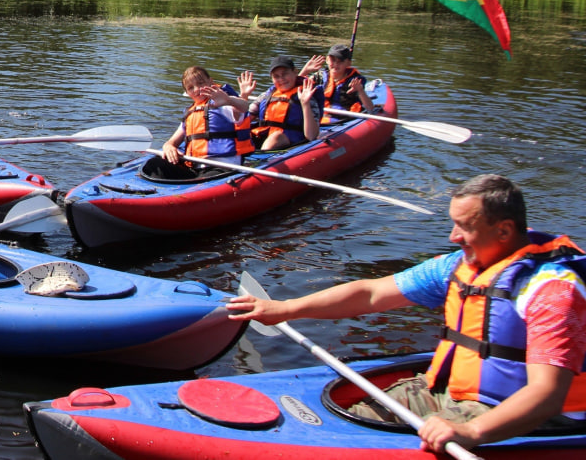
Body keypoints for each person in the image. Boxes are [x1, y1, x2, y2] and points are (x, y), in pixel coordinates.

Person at [227, 174, 586, 454]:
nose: (452, 236)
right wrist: (284, 309)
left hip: (522, 414)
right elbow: (371, 293)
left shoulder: (552, 291)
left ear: (504, 230)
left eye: (464, 226)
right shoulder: (459, 266)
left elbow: (546, 394)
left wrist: (472, 432)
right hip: (449, 392)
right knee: (353, 418)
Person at [145, 66, 253, 179]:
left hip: (222, 168)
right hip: (195, 168)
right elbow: (172, 141)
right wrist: (168, 147)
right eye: (191, 87)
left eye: (201, 83)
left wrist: (230, 100)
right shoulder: (191, 112)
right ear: (187, 92)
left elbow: (244, 107)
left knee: (205, 179)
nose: (197, 89)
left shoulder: (223, 102)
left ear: (211, 81)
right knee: (153, 165)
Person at [244, 55, 321, 151]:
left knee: (276, 137)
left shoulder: (307, 95)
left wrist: (305, 104)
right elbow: (244, 120)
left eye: (285, 74)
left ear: (295, 72)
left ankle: (261, 161)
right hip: (264, 135)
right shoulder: (266, 95)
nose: (281, 79)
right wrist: (244, 97)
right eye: (276, 76)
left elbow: (311, 136)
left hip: (290, 139)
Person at [300, 44, 376, 124]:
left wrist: (360, 91)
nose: (336, 64)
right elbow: (293, 88)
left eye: (340, 61)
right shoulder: (320, 77)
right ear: (327, 60)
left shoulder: (356, 81)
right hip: (320, 116)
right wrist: (305, 71)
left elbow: (370, 108)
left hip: (343, 119)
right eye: (333, 60)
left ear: (348, 63)